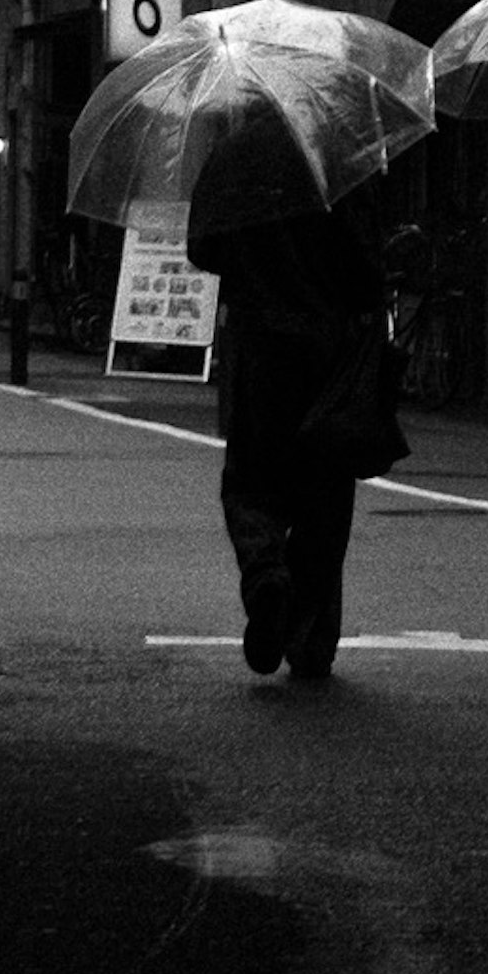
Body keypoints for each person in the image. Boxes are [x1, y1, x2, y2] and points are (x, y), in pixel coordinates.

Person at [190, 110, 389, 682]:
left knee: (251, 479)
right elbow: (366, 266)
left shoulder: (233, 155)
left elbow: (202, 247)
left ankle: (265, 573)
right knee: (326, 491)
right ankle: (310, 639)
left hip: (257, 345)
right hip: (329, 349)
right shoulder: (341, 153)